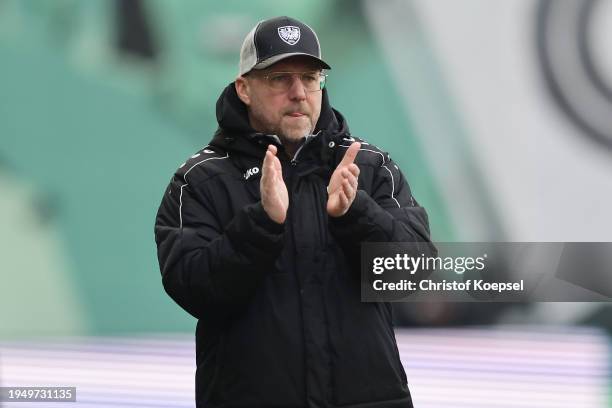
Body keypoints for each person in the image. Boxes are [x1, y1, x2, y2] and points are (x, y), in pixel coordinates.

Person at [155, 16, 435, 408]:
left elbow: (414, 274)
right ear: (244, 88)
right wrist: (261, 222)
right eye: (280, 78)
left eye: (310, 78)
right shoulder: (200, 180)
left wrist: (356, 214)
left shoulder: (369, 168)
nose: (299, 92)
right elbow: (193, 288)